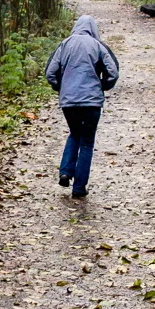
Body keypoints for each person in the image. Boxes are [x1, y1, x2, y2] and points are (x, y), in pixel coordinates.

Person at [44, 14, 120, 198]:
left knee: (75, 133)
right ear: (94, 29)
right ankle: (79, 188)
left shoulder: (64, 45)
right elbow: (113, 72)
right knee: (86, 142)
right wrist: (103, 86)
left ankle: (65, 171)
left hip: (69, 102)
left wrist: (60, 87)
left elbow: (50, 73)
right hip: (92, 102)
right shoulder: (98, 46)